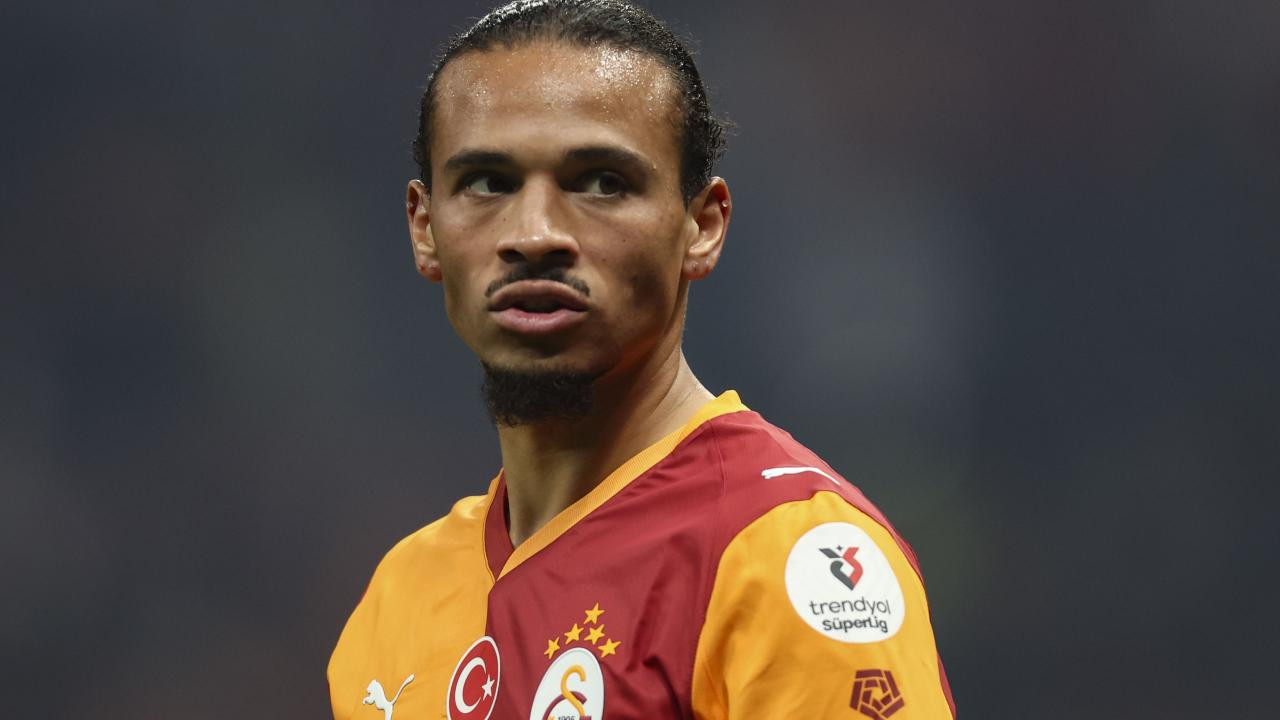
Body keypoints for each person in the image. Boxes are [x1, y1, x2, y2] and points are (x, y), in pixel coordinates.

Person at [328, 1, 955, 718]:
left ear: (702, 226)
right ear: (425, 227)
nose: (535, 234)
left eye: (602, 182)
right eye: (489, 183)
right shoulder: (400, 599)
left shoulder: (785, 555)